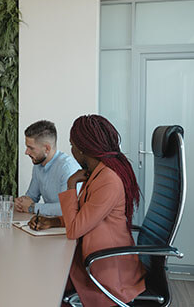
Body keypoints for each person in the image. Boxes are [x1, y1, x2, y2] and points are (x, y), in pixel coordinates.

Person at [28, 115, 145, 306]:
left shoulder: (108, 179)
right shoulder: (97, 174)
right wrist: (54, 221)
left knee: (48, 283)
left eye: (73, 145)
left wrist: (70, 185)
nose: (71, 150)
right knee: (45, 278)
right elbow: (85, 216)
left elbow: (75, 229)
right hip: (91, 257)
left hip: (105, 268)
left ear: (83, 149)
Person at [15, 120, 80, 216]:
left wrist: (32, 207)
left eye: (31, 148)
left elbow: (65, 208)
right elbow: (31, 197)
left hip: (66, 227)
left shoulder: (66, 168)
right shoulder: (38, 164)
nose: (26, 152)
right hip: (48, 225)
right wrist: (21, 202)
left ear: (47, 149)